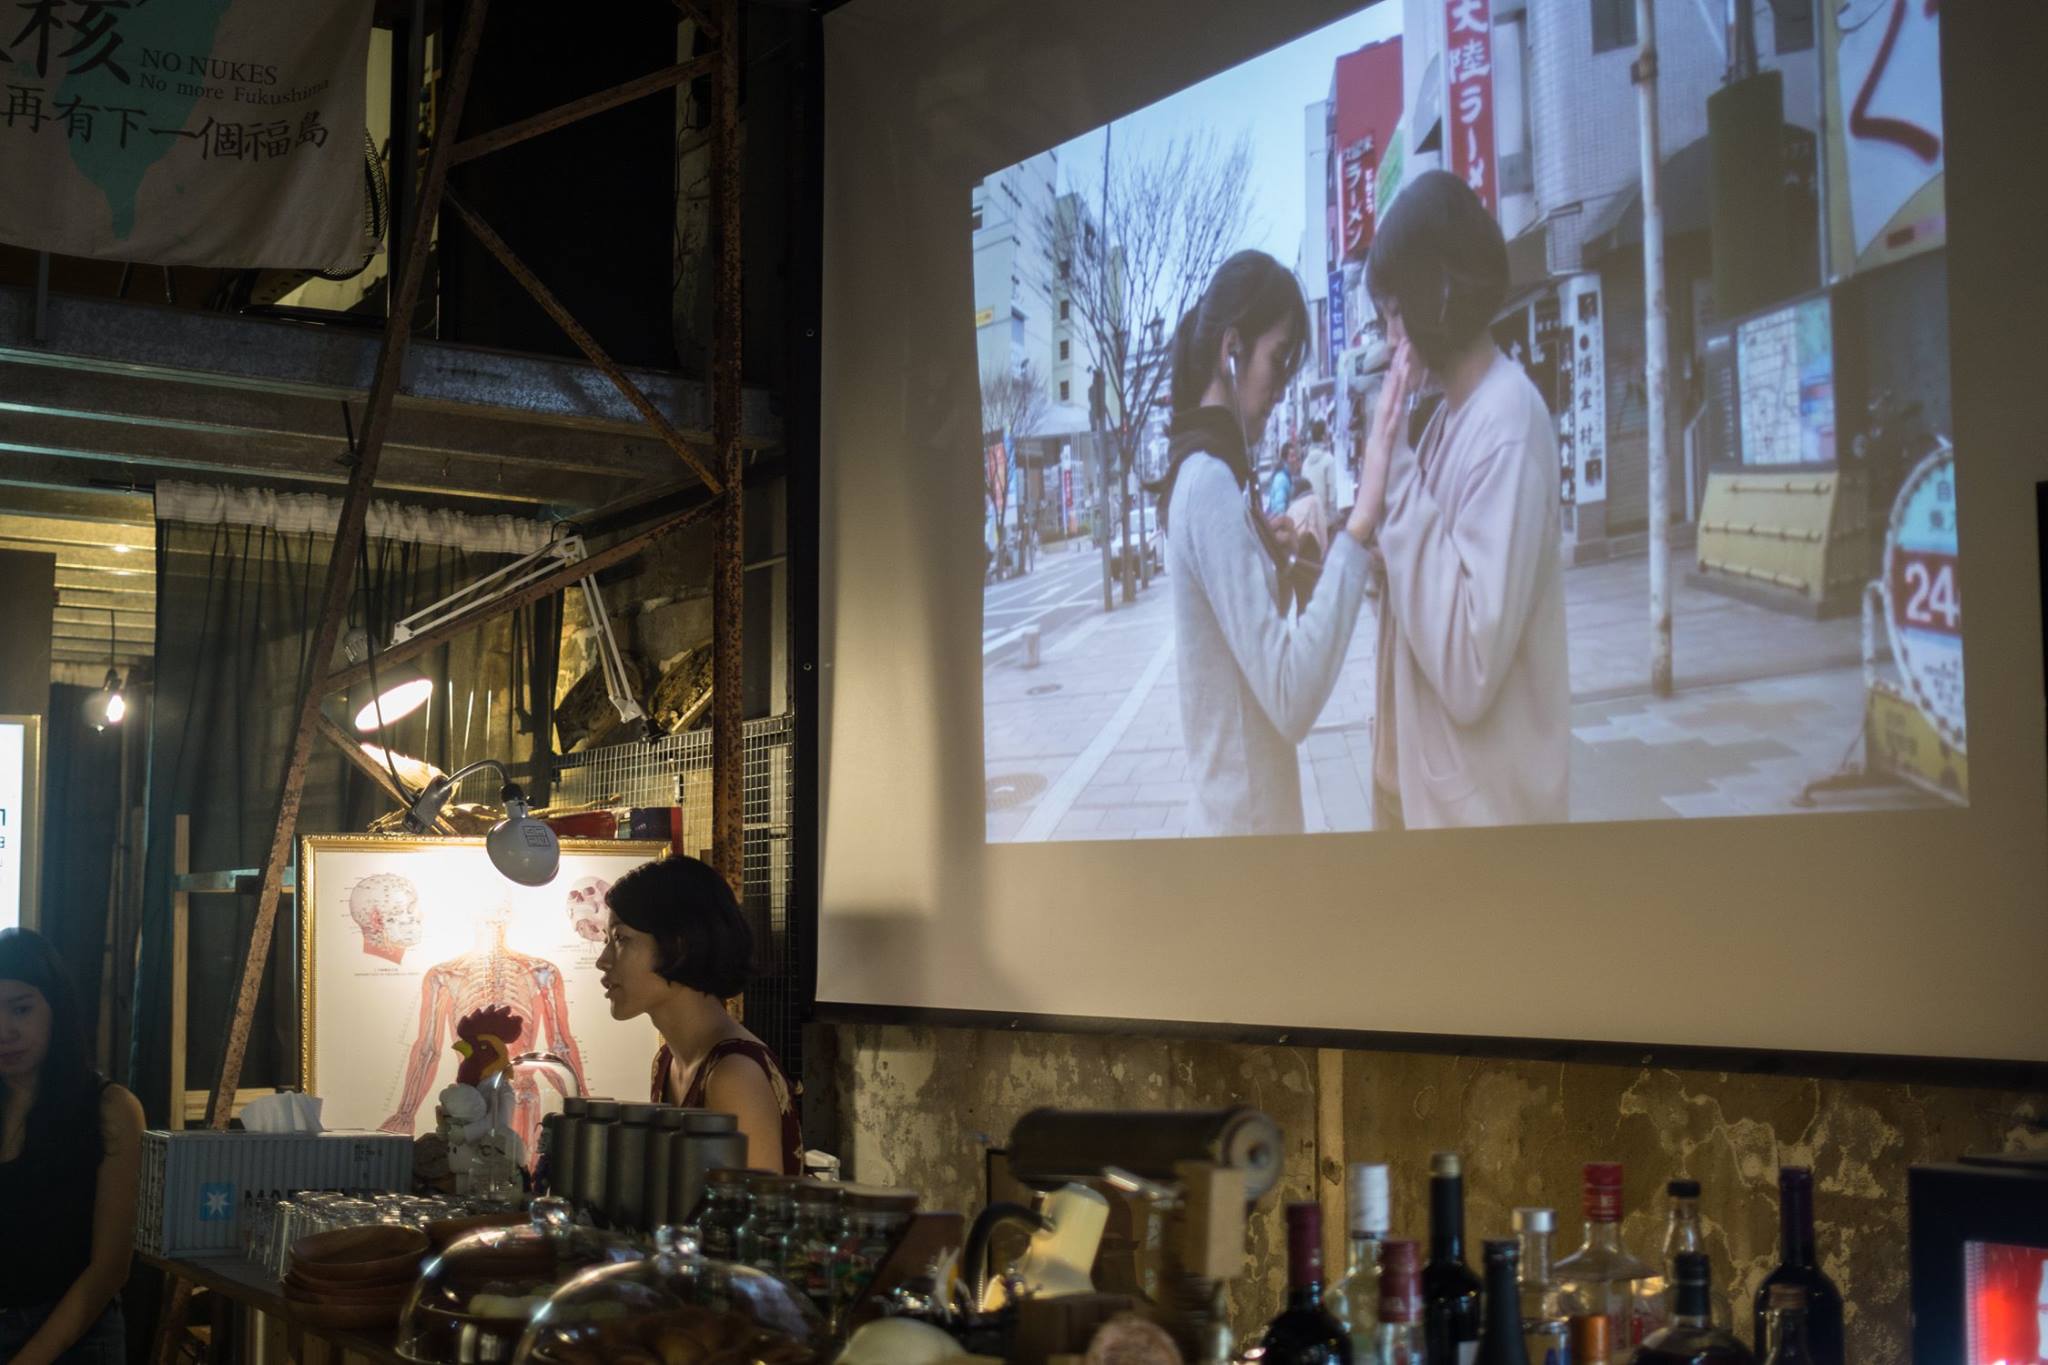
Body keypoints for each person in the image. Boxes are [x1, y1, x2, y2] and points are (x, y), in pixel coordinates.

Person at [1352, 171, 1569, 828]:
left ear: (1437, 294)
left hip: (1479, 822)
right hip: (1426, 796)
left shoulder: (1506, 424)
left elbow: (1470, 663)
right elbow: (1434, 584)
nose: (1390, 338)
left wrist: (1393, 471)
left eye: (1394, 312)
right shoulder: (1450, 417)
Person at [1151, 249, 1382, 837]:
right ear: (1232, 350)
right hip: (1249, 842)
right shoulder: (1209, 482)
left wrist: (1282, 572)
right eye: (1278, 361)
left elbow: (1243, 668)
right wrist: (1356, 535)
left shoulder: (1205, 474)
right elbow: (1289, 697)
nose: (1281, 388)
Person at [594, 856, 801, 1174]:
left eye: (621, 938)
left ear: (679, 945)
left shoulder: (734, 1075)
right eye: (607, 940)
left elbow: (755, 1205)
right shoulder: (667, 1060)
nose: (603, 960)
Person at [0, 927, 143, 1365]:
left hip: (76, 1337)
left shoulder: (110, 1109)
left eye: (21, 1009)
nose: (5, 1031)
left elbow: (109, 1268)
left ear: (56, 1010)